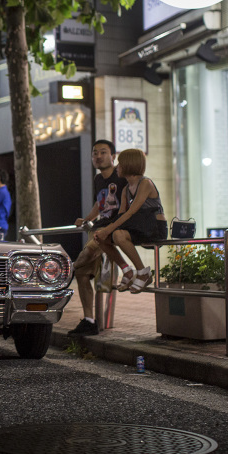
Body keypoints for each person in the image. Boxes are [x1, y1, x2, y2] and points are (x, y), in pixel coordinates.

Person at [67, 140, 128, 336]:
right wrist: (87, 218)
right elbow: (100, 203)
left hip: (113, 230)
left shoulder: (122, 177)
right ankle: (89, 320)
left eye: (103, 152)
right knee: (83, 275)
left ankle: (64, 271)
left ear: (113, 156)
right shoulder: (97, 179)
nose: (98, 156)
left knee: (88, 252)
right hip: (100, 228)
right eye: (95, 153)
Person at [93, 148, 168, 294]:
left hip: (154, 228)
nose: (117, 168)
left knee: (112, 233)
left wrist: (108, 229)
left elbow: (131, 211)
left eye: (120, 164)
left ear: (129, 165)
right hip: (138, 227)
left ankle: (143, 272)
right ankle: (127, 271)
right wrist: (104, 231)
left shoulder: (145, 183)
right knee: (105, 237)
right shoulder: (126, 189)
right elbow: (121, 216)